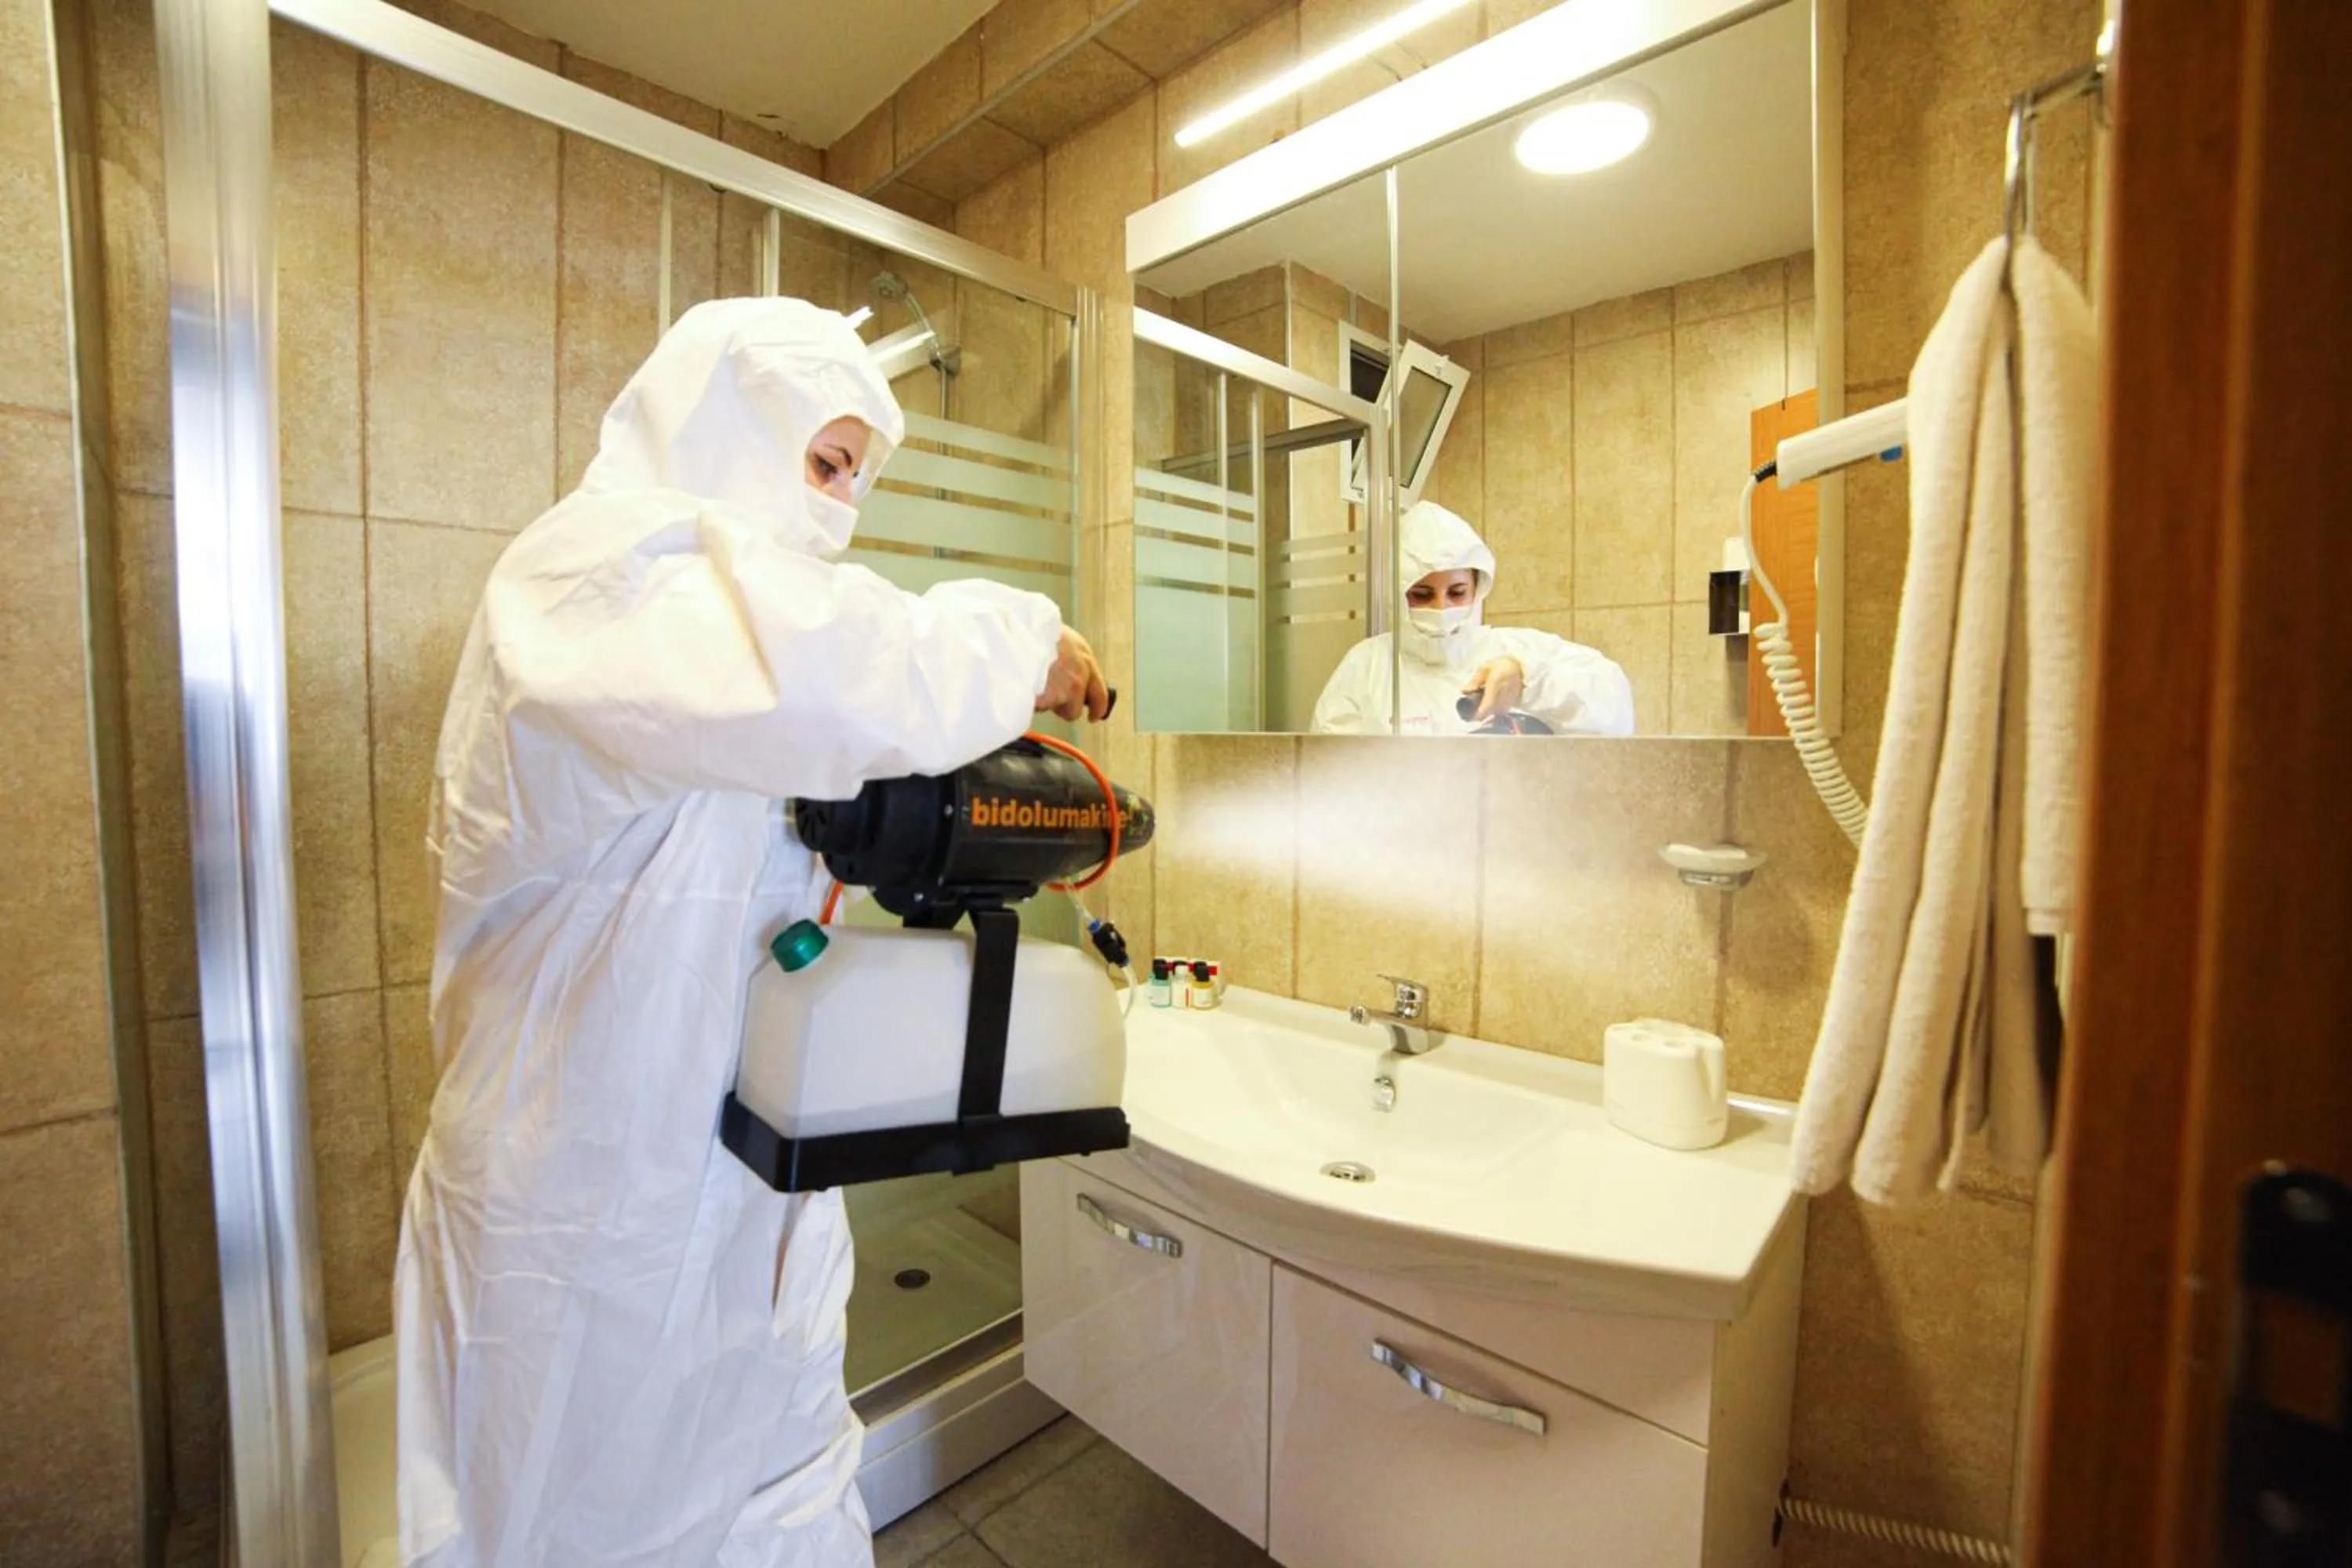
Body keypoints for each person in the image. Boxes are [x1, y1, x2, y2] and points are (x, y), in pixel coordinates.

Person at [394, 297, 1109, 1568]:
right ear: (726, 421)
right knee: (583, 1528)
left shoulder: (730, 645)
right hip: (586, 1199)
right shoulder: (590, 577)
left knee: (786, 1501)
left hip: (751, 1184)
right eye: (825, 463)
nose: (839, 509)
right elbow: (829, 670)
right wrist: (1024, 636)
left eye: (858, 481)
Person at [1310, 500, 1635, 735]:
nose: (1441, 609)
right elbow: (1331, 768)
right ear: (1397, 595)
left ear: (1477, 589)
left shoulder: (1516, 649)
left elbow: (1614, 710)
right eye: (1421, 595)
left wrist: (1527, 680)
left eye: (1457, 593)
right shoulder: (1367, 665)